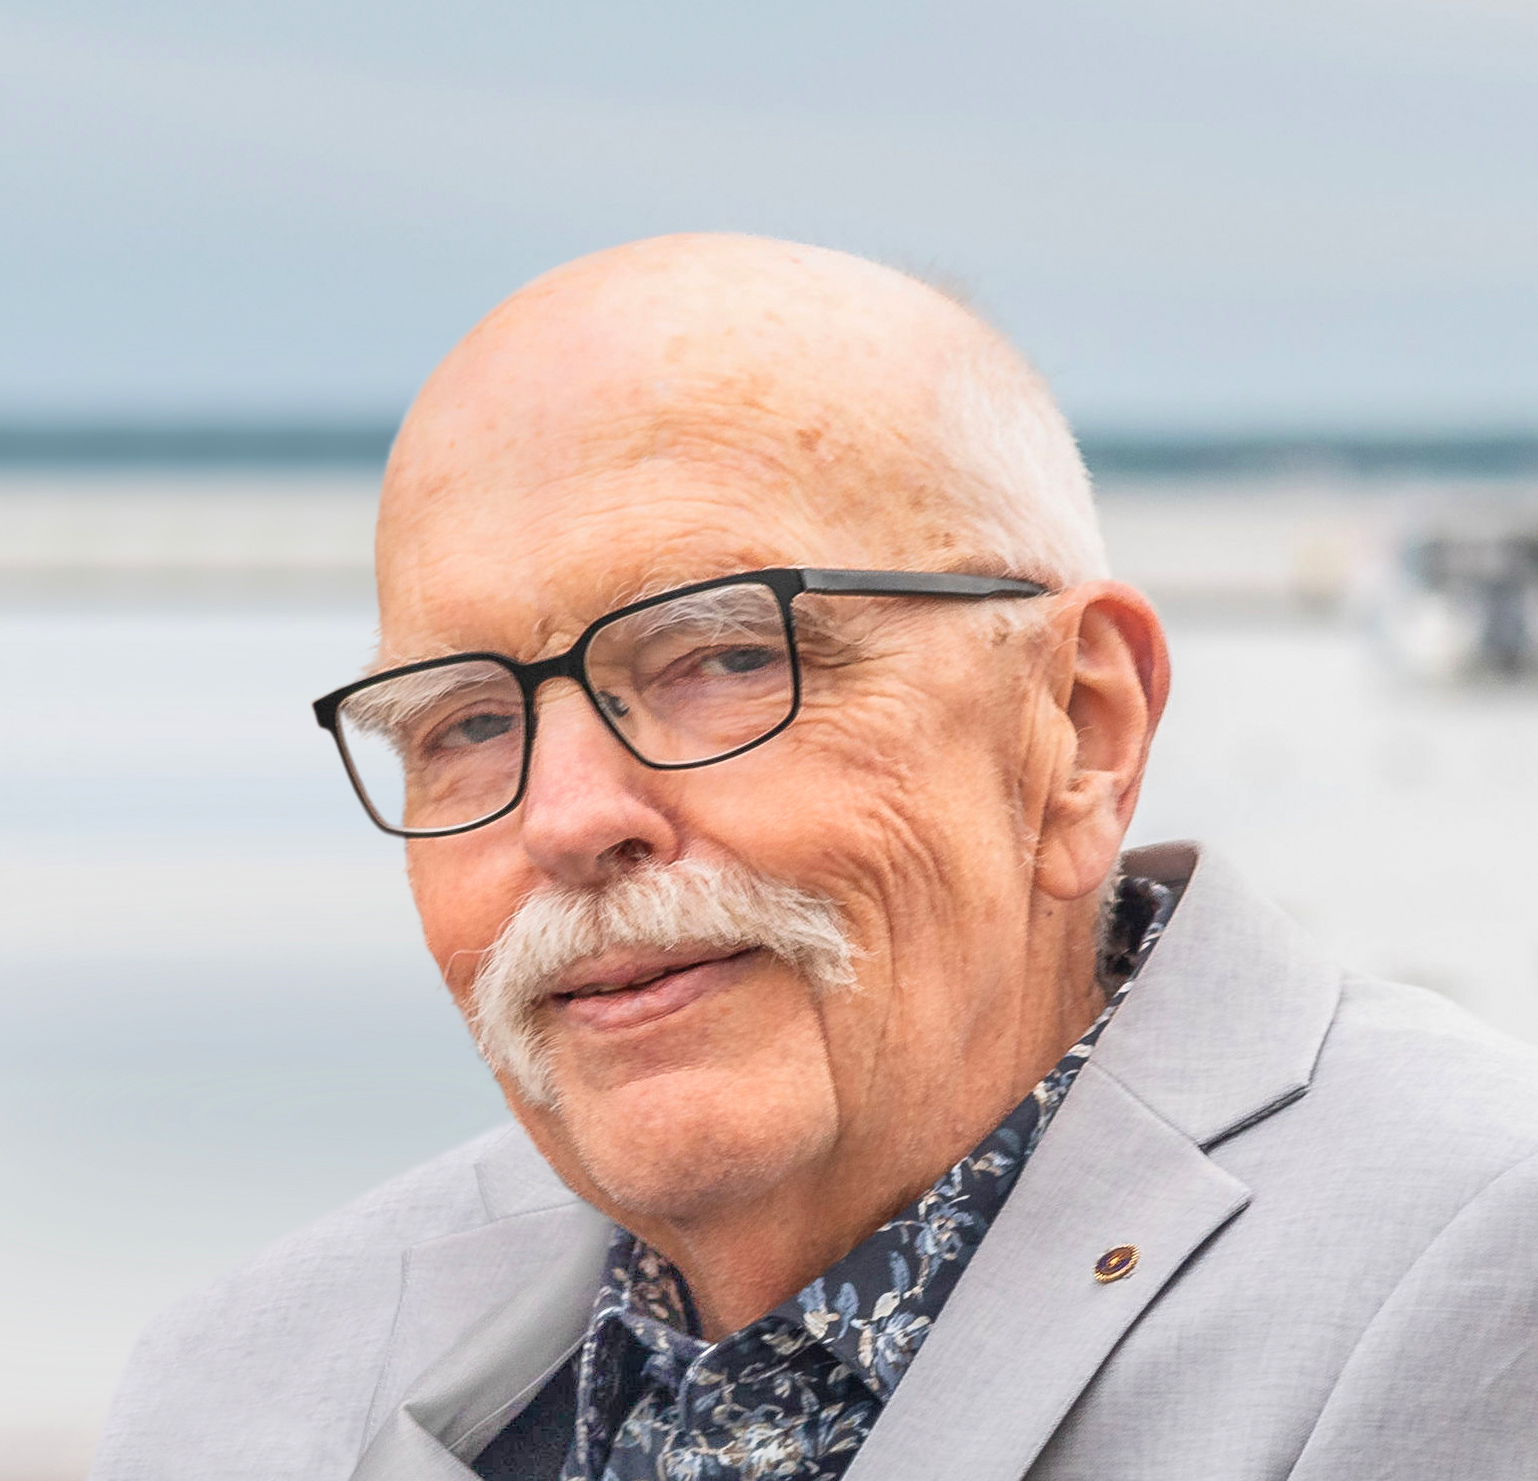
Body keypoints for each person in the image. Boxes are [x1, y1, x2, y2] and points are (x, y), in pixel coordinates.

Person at [91, 236, 1538, 1481]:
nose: (568, 817)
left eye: (724, 656)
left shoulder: (1470, 1268)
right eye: (466, 721)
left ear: (1077, 727)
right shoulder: (243, 1380)